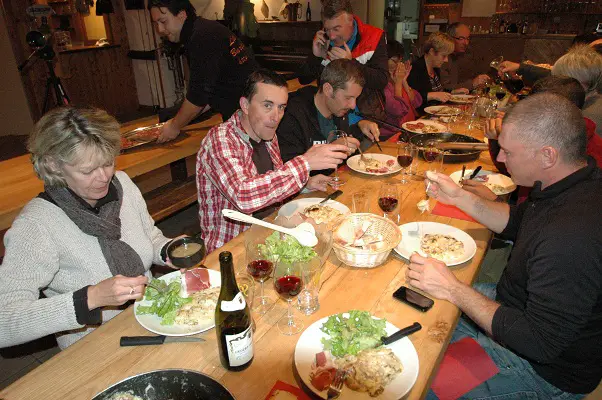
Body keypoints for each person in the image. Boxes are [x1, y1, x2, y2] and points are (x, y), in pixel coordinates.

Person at [413, 93, 602, 398]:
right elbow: (516, 221)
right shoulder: (576, 181)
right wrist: (459, 197)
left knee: (419, 387)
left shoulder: (570, 236)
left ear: (547, 156)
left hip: (538, 368)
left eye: (508, 152)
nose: (499, 158)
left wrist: (454, 289)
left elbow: (539, 341)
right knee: (416, 305)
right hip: (512, 307)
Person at [0, 107, 179, 350]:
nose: (104, 177)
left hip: (152, 319)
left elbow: (149, 236)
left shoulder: (123, 184)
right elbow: (5, 322)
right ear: (54, 165)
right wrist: (90, 298)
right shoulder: (37, 225)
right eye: (87, 170)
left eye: (108, 163)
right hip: (95, 347)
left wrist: (168, 249)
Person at [196, 69, 350, 252]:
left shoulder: (268, 135)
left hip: (270, 233)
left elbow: (270, 183)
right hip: (231, 249)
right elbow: (244, 197)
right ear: (245, 105)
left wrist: (305, 184)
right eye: (267, 105)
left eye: (281, 107)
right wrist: (305, 163)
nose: (276, 116)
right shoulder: (220, 139)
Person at [470, 75, 602, 201]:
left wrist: (496, 201)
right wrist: (499, 141)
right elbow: (514, 170)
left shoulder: (587, 158)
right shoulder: (548, 132)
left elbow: (539, 218)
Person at [149, 0, 258, 143]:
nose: (160, 29)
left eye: (163, 21)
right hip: (245, 112)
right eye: (156, 23)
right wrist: (177, 119)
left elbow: (198, 95)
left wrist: (174, 127)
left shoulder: (201, 37)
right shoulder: (201, 30)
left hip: (251, 116)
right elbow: (209, 90)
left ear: (182, 15)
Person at [277, 59, 381, 170]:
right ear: (328, 90)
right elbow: (289, 171)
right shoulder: (291, 116)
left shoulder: (338, 110)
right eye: (348, 97)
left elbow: (340, 139)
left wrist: (360, 126)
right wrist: (331, 149)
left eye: (356, 98)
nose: (352, 105)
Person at [296, 0, 388, 122]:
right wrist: (316, 57)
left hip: (365, 118)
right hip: (330, 119)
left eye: (336, 29)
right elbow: (303, 79)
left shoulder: (374, 36)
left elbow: (381, 80)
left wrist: (351, 63)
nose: (332, 36)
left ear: (350, 20)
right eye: (327, 29)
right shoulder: (323, 40)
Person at [552, 44, 602, 138]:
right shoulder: (593, 100)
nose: (556, 85)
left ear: (580, 82)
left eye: (560, 80)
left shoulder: (587, 117)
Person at [380, 40, 422, 139]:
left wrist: (404, 81)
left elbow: (416, 102)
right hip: (388, 135)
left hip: (405, 131)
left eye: (400, 61)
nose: (398, 65)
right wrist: (398, 84)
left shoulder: (396, 76)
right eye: (395, 61)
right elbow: (398, 110)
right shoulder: (381, 83)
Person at [407, 32, 455, 112]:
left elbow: (438, 93)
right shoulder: (415, 69)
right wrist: (432, 95)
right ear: (432, 51)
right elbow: (412, 98)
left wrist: (453, 92)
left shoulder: (435, 67)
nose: (446, 60)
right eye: (444, 56)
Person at [440, 23, 490, 92]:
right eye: (461, 38)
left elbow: (478, 74)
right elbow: (445, 88)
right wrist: (472, 83)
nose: (466, 43)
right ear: (449, 38)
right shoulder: (442, 57)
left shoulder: (468, 53)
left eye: (467, 38)